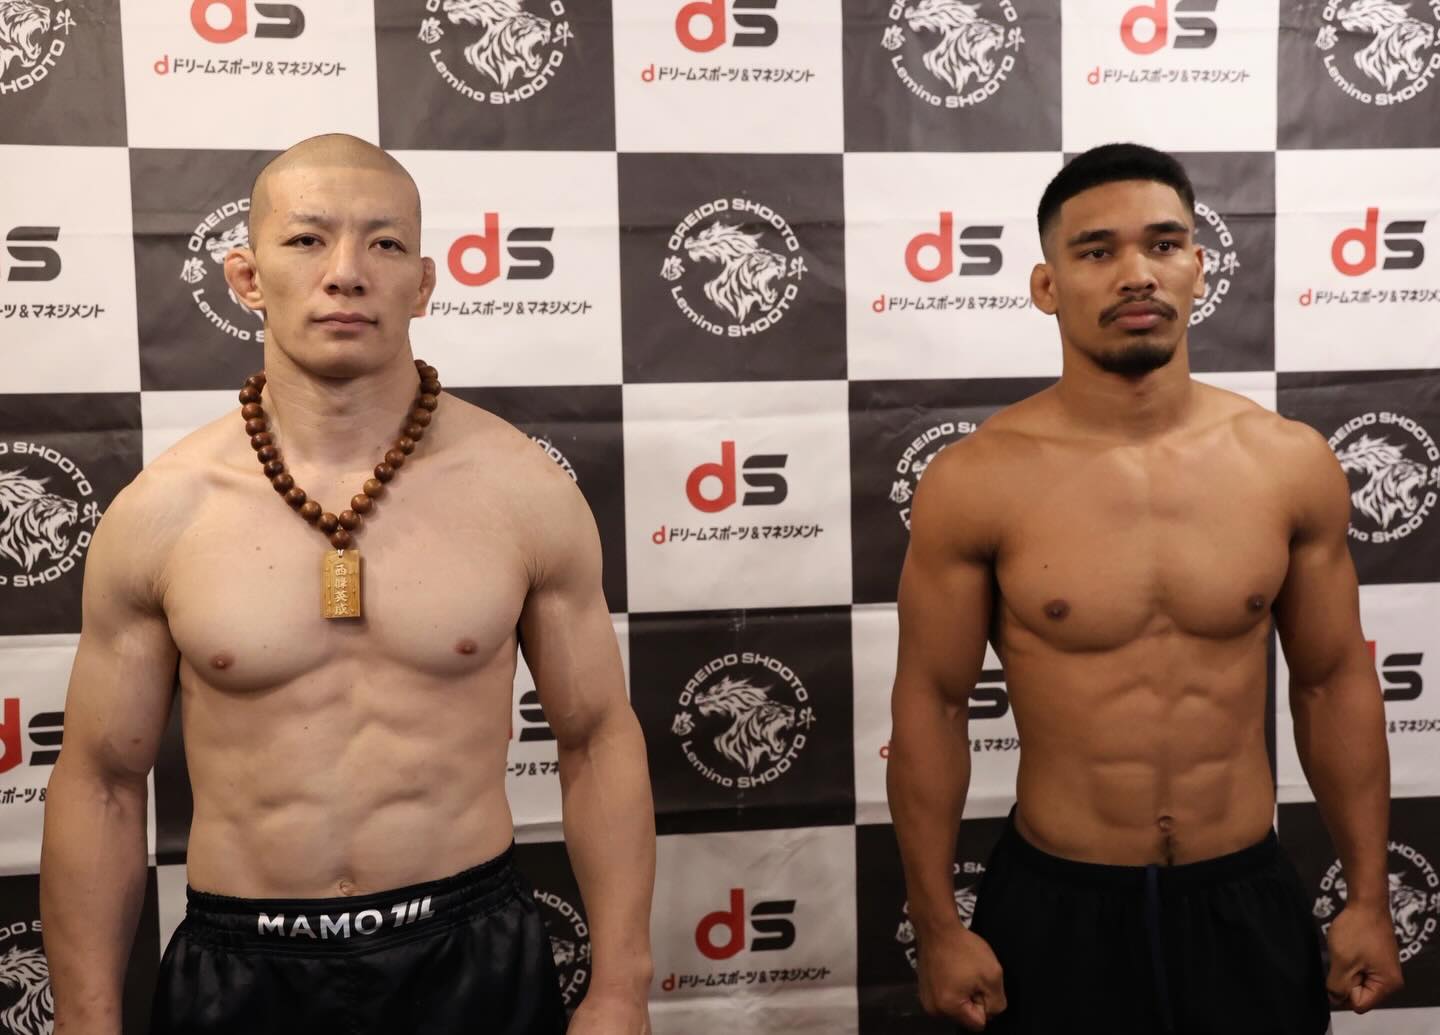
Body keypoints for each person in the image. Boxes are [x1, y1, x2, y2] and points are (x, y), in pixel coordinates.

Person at [40, 134, 655, 1035]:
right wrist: (85, 1015)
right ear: (246, 277)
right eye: (307, 239)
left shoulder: (521, 489)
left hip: (469, 952)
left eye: (385, 243)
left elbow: (597, 737)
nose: (346, 272)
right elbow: (101, 778)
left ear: (424, 284)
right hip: (245, 965)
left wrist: (622, 988)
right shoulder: (162, 510)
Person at [886, 143, 1401, 1034]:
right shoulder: (977, 479)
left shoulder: (1287, 462)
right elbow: (932, 703)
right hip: (1058, 907)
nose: (1137, 273)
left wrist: (1368, 895)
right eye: (1097, 251)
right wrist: (936, 924)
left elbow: (1331, 682)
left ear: (1198, 267)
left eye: (1163, 244)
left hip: (1243, 895)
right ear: (1047, 285)